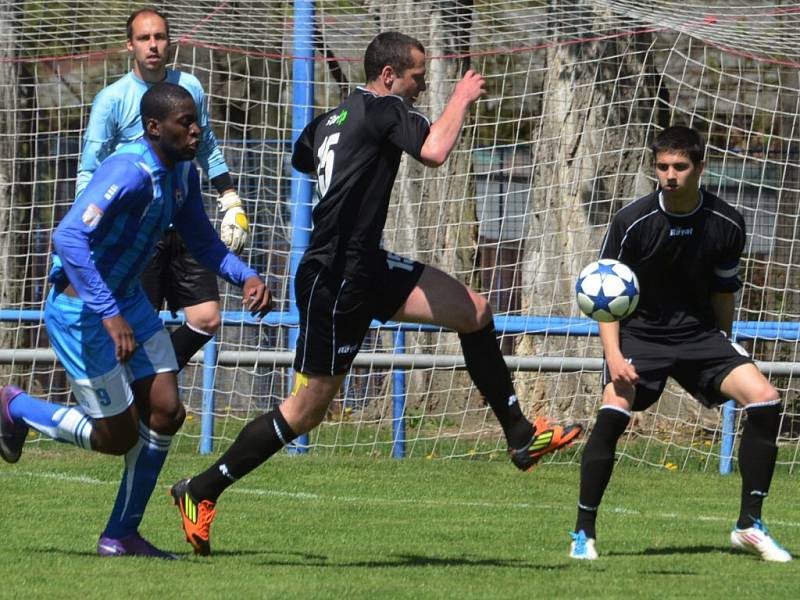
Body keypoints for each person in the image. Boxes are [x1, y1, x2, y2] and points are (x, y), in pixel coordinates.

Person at [168, 31, 583, 556]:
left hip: (364, 265)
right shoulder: (386, 108)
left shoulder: (329, 120)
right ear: (389, 76)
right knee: (305, 411)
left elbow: (304, 157)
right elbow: (433, 150)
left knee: (474, 310)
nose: (421, 87)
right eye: (417, 79)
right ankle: (200, 490)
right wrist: (459, 99)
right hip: (337, 278)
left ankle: (520, 435)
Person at [0, 82, 272, 558]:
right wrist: (109, 314)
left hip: (126, 302)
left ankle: (120, 535)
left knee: (167, 410)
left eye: (196, 120)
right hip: (81, 310)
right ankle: (13, 407)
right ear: (154, 128)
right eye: (185, 122)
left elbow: (205, 242)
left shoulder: (184, 173)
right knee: (115, 437)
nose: (196, 129)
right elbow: (67, 239)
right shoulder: (128, 171)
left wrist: (244, 275)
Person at [568, 125, 791, 562]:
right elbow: (604, 297)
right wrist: (613, 356)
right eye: (663, 167)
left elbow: (724, 290)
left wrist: (727, 342)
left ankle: (749, 525)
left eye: (680, 166)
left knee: (765, 398)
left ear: (699, 168)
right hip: (639, 336)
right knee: (613, 411)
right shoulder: (632, 222)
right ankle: (583, 533)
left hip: (700, 337)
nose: (670, 175)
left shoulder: (727, 222)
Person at [77, 8, 251, 370]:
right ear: (130, 45)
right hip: (139, 232)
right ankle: (135, 394)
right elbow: (91, 169)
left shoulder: (191, 87)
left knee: (206, 318)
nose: (153, 45)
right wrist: (89, 227)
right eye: (144, 38)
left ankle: (155, 377)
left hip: (184, 219)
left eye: (159, 37)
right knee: (137, 327)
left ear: (170, 41)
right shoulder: (112, 100)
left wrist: (230, 198)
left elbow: (207, 147)